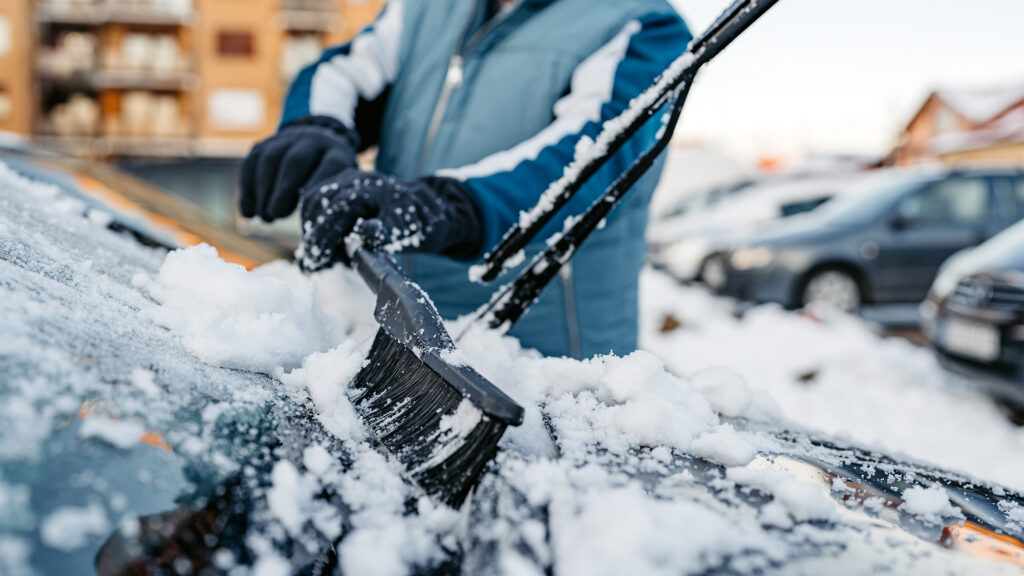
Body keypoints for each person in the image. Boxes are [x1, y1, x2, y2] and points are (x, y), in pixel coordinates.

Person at [239, 0, 691, 359]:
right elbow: (348, 69)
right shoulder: (426, 8)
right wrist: (318, 126)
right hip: (409, 352)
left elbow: (591, 154)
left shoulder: (640, 23)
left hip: (554, 373)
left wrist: (447, 204)